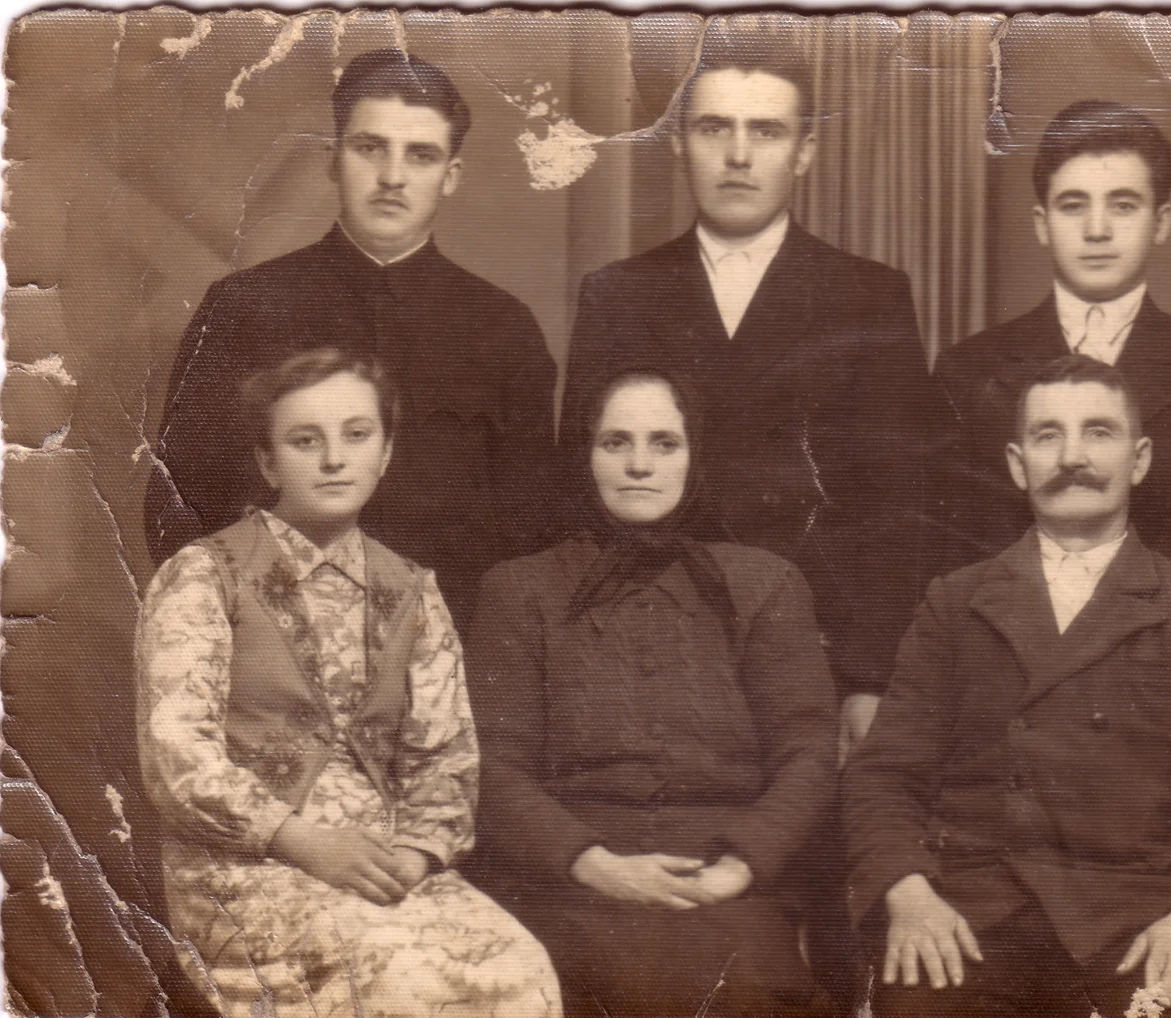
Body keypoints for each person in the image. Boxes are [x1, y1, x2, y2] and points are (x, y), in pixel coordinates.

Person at [844, 354, 1171, 1018]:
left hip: (1137, 918)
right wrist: (907, 891)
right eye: (1049, 436)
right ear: (1018, 465)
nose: (1073, 457)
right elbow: (882, 777)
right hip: (970, 914)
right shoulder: (955, 602)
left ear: (1139, 459)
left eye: (1098, 432)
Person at [136, 348, 560, 1018]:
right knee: (401, 980)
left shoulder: (412, 590)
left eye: (356, 435)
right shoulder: (204, 576)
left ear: (385, 453)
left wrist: (414, 859)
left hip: (381, 862)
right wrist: (303, 841)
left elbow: (446, 757)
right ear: (268, 462)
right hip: (245, 867)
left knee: (522, 970)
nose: (335, 459)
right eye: (306, 441)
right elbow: (177, 757)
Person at [560, 27, 943, 759]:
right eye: (714, 128)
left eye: (766, 131)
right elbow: (577, 496)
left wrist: (869, 679)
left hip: (815, 659)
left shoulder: (870, 297)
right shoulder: (617, 294)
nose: (738, 156)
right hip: (647, 653)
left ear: (804, 150)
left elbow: (899, 510)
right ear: (679, 143)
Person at [464, 368, 839, 1018]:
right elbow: (493, 767)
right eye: (616, 443)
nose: (639, 465)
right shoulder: (519, 590)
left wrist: (736, 869)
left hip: (724, 881)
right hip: (570, 884)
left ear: (697, 456)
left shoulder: (766, 585)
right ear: (584, 456)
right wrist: (597, 865)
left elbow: (808, 757)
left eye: (665, 443)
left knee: (747, 990)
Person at [145, 46, 557, 629]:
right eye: (370, 148)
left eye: (420, 155)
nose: (393, 177)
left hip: (448, 646)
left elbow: (534, 532)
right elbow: (177, 505)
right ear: (333, 159)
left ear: (450, 176)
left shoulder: (504, 328)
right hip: (274, 644)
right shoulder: (243, 306)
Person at [934, 99, 1171, 588]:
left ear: (1161, 222)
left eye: (1123, 206)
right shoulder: (967, 370)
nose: (1096, 230)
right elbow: (944, 563)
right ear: (1041, 223)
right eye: (1073, 205)